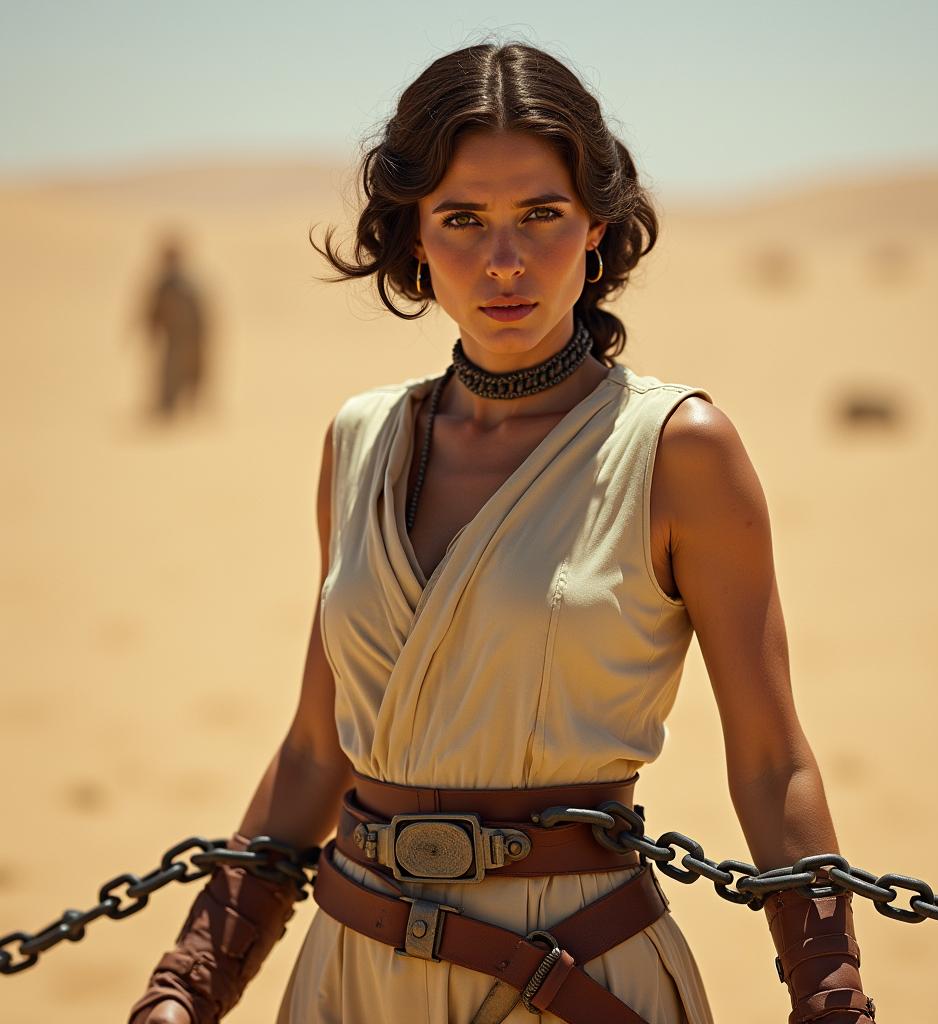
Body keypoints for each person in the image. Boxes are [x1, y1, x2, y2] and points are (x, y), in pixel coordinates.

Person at [128, 40, 876, 1024]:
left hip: (575, 972)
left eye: (540, 215)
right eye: (462, 220)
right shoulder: (361, 440)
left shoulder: (677, 448)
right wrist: (189, 981)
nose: (504, 260)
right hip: (347, 972)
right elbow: (318, 748)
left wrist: (832, 997)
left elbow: (771, 758)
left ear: (597, 227)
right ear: (413, 237)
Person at [141, 236, 209, 419]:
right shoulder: (165, 284)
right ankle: (167, 409)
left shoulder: (190, 283)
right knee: (171, 372)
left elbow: (202, 311)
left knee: (194, 374)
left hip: (191, 337)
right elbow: (153, 309)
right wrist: (151, 329)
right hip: (174, 338)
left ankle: (189, 409)